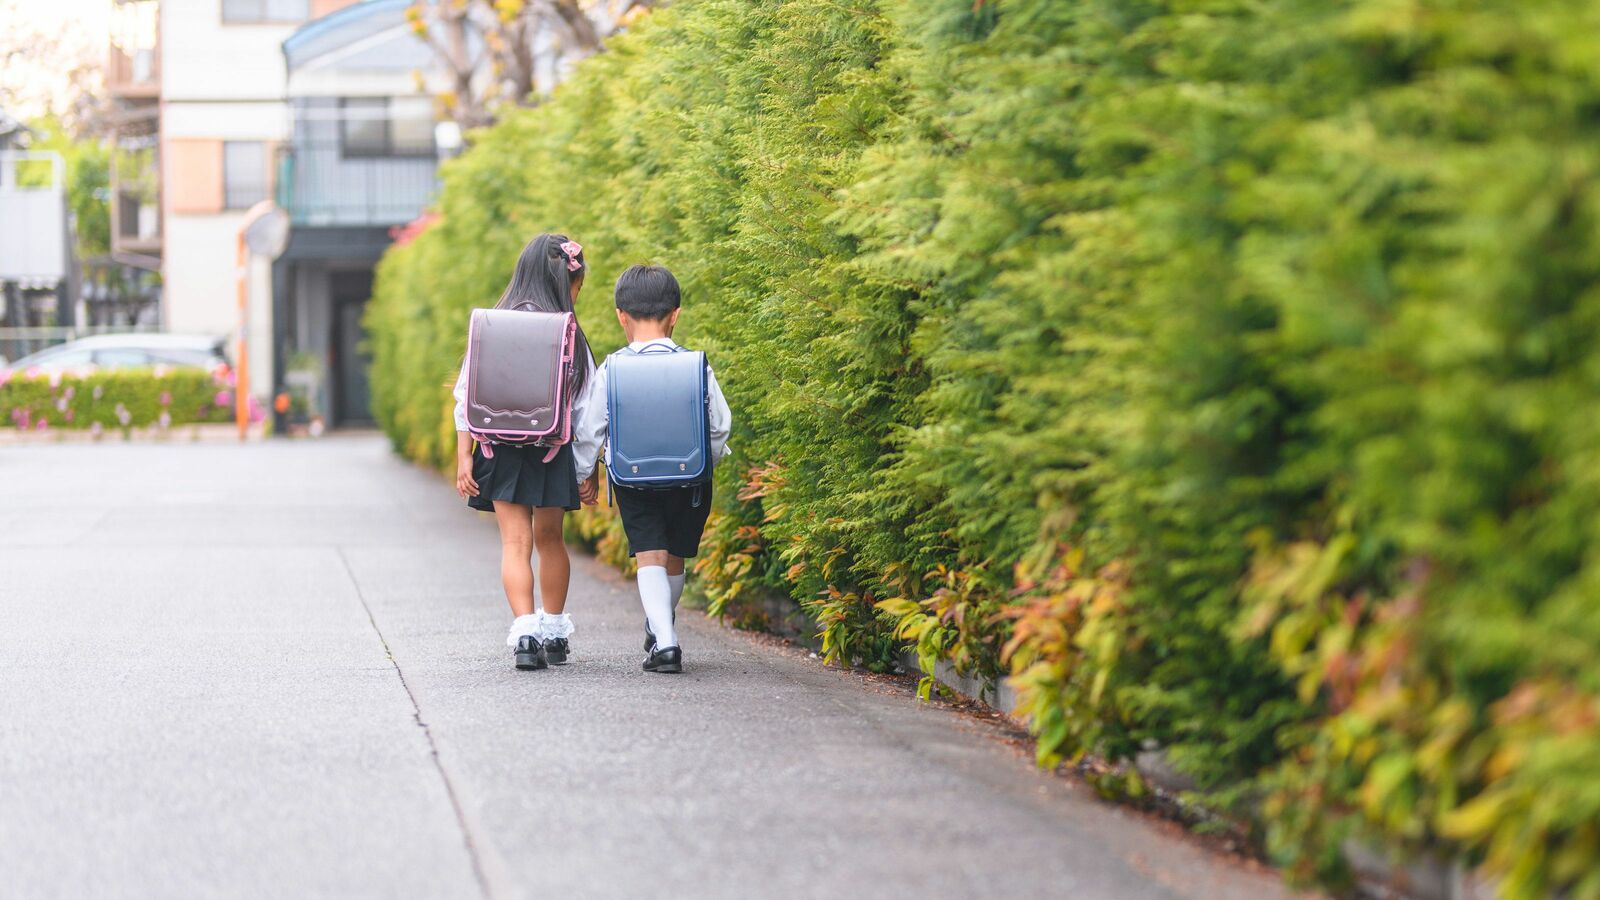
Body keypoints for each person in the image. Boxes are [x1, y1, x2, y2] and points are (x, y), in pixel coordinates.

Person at [572, 264, 731, 674]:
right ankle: (663, 627)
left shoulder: (613, 369)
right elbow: (719, 425)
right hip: (691, 479)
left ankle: (665, 641)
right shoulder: (697, 366)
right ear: (675, 314)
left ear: (621, 316)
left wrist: (581, 473)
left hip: (634, 477)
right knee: (674, 556)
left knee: (649, 555)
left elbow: (590, 430)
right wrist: (705, 464)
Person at [453, 233, 595, 671]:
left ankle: (526, 636)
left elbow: (465, 395)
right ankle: (554, 634)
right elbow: (585, 411)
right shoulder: (571, 336)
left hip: (498, 451)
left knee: (515, 542)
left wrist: (464, 456)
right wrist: (585, 470)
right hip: (552, 452)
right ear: (566, 284)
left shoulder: (492, 326)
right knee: (551, 540)